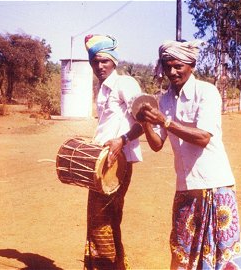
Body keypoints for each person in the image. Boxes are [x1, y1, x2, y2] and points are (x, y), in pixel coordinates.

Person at [139, 39, 241, 269]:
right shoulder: (164, 100)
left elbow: (203, 137)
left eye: (178, 66)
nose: (172, 71)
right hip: (186, 186)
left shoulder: (206, 92)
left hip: (215, 185)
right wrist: (145, 122)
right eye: (167, 66)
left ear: (192, 65)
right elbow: (157, 144)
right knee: (182, 253)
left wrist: (165, 121)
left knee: (220, 254)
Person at [84, 34, 144, 270]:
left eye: (104, 61)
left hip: (118, 164)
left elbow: (145, 121)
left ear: (114, 62)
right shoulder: (102, 88)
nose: (99, 66)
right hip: (102, 163)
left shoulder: (125, 84)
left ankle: (109, 265)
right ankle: (115, 265)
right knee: (103, 219)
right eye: (95, 62)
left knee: (103, 221)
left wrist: (123, 139)